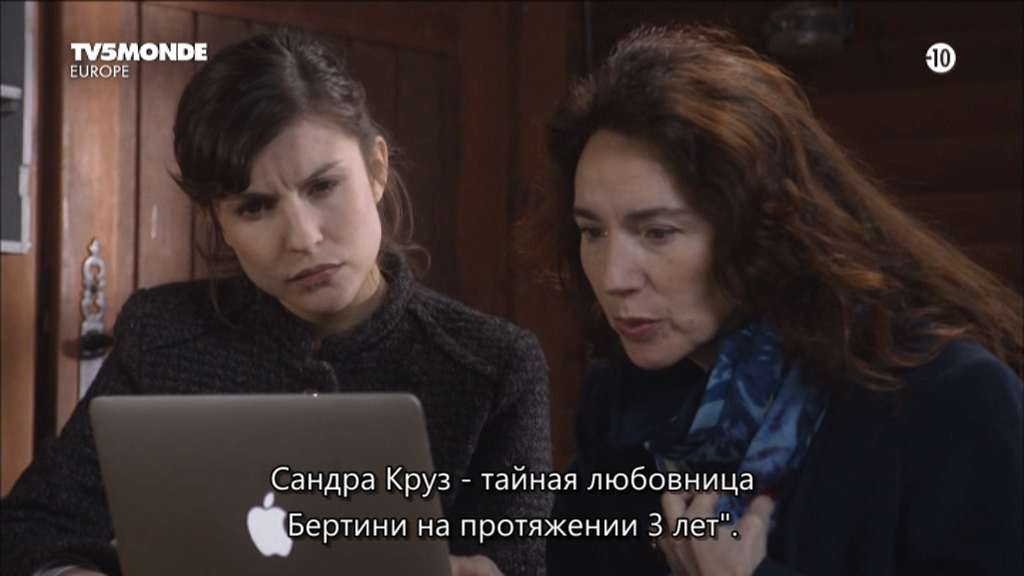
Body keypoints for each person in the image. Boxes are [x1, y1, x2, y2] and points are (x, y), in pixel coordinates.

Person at [1, 30, 551, 576]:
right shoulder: (162, 334)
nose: (303, 238)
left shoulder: (492, 365)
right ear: (218, 221)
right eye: (255, 207)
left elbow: (522, 558)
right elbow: (30, 527)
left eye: (323, 187)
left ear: (377, 168)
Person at [529, 24, 1023, 576]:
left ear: (760, 229)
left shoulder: (953, 399)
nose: (613, 276)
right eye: (593, 232)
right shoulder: (622, 393)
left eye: (658, 233)